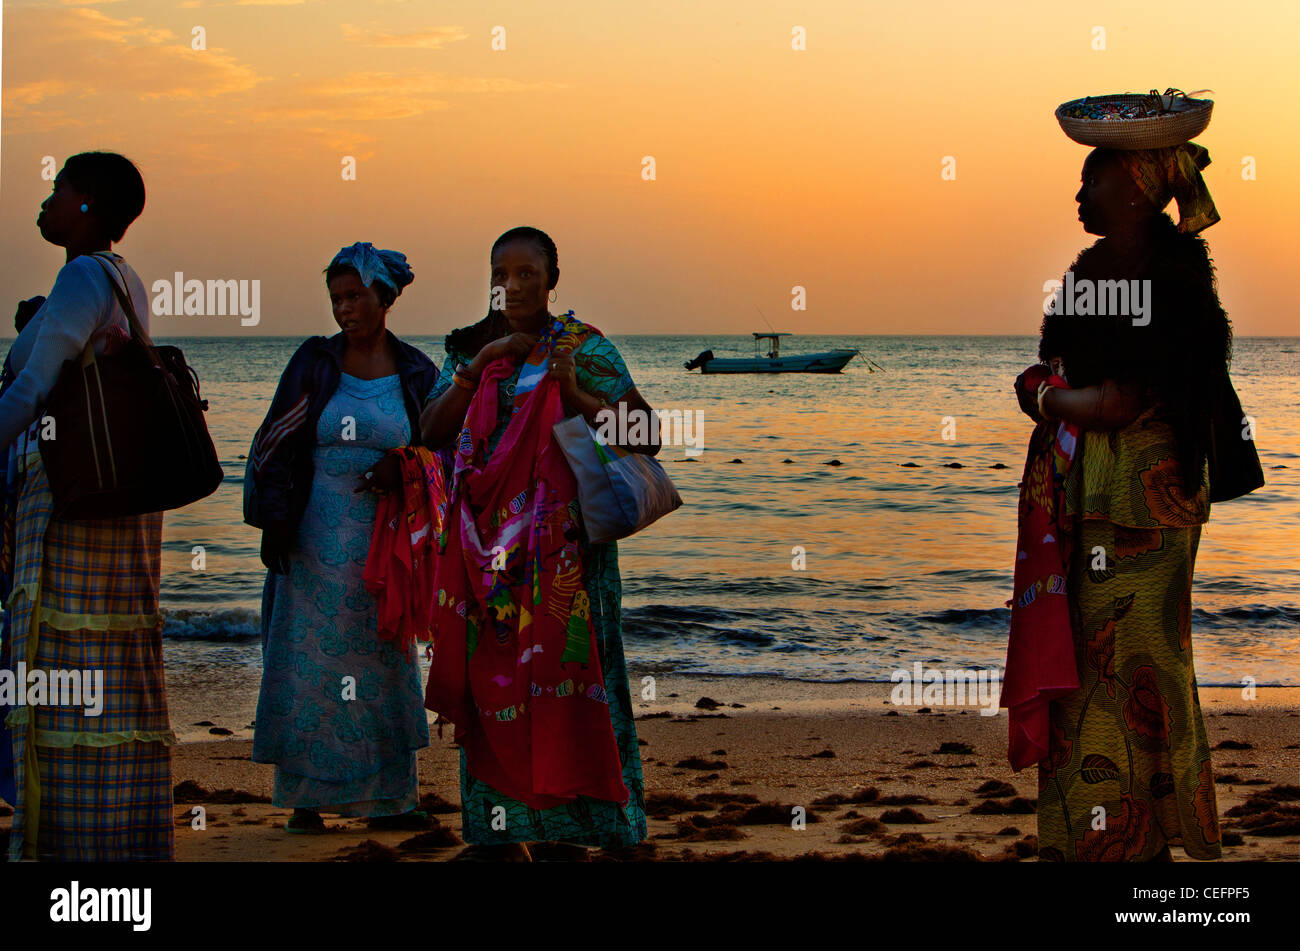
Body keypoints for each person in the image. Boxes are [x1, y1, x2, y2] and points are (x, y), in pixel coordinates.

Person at [1015, 141, 1255, 861]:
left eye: (1093, 175)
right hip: (1098, 496)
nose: (1079, 190)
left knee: (1133, 666)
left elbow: (1114, 401)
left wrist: (1046, 395)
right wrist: (1055, 393)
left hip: (1147, 502)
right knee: (1103, 669)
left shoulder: (1173, 282)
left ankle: (1136, 835)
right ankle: (1113, 834)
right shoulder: (1091, 276)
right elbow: (1078, 383)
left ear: (1134, 188)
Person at [421, 226, 656, 860]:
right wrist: (475, 370)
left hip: (567, 561)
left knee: (577, 679)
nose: (515, 284)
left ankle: (591, 826)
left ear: (554, 281)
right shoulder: (473, 350)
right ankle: (500, 833)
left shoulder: (584, 346)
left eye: (529, 273)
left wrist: (575, 390)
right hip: (487, 557)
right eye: (503, 273)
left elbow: (647, 434)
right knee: (492, 682)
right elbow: (432, 431)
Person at [0, 152, 172, 861]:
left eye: (56, 190)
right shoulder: (124, 279)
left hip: (70, 508)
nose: (44, 202)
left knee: (59, 671)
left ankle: (67, 849)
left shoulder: (81, 276)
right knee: (109, 676)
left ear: (87, 204)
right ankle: (116, 842)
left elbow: (33, 387)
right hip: (116, 510)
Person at [246, 242, 437, 833]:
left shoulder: (416, 370)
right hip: (311, 536)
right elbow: (274, 440)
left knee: (382, 657)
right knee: (309, 661)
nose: (344, 309)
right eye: (336, 299)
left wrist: (402, 461)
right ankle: (306, 801)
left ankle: (389, 802)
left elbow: (439, 450)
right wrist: (273, 521)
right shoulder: (315, 362)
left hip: (384, 545)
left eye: (355, 296)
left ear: (385, 297)